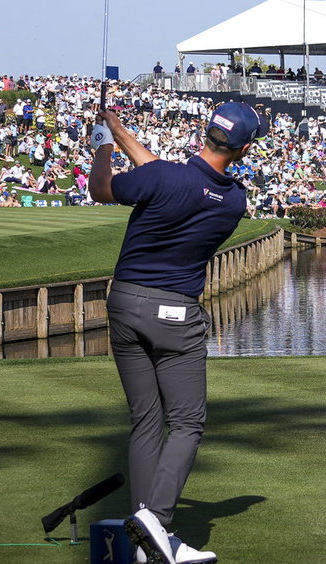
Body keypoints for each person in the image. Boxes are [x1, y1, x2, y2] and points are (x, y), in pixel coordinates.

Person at [88, 100, 264, 564]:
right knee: (186, 422)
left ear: (206, 131)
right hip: (175, 317)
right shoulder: (234, 201)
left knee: (146, 420)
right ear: (244, 148)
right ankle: (156, 521)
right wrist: (118, 129)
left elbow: (102, 189)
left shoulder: (165, 176)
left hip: (124, 305)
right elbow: (172, 179)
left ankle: (148, 545)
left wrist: (101, 144)